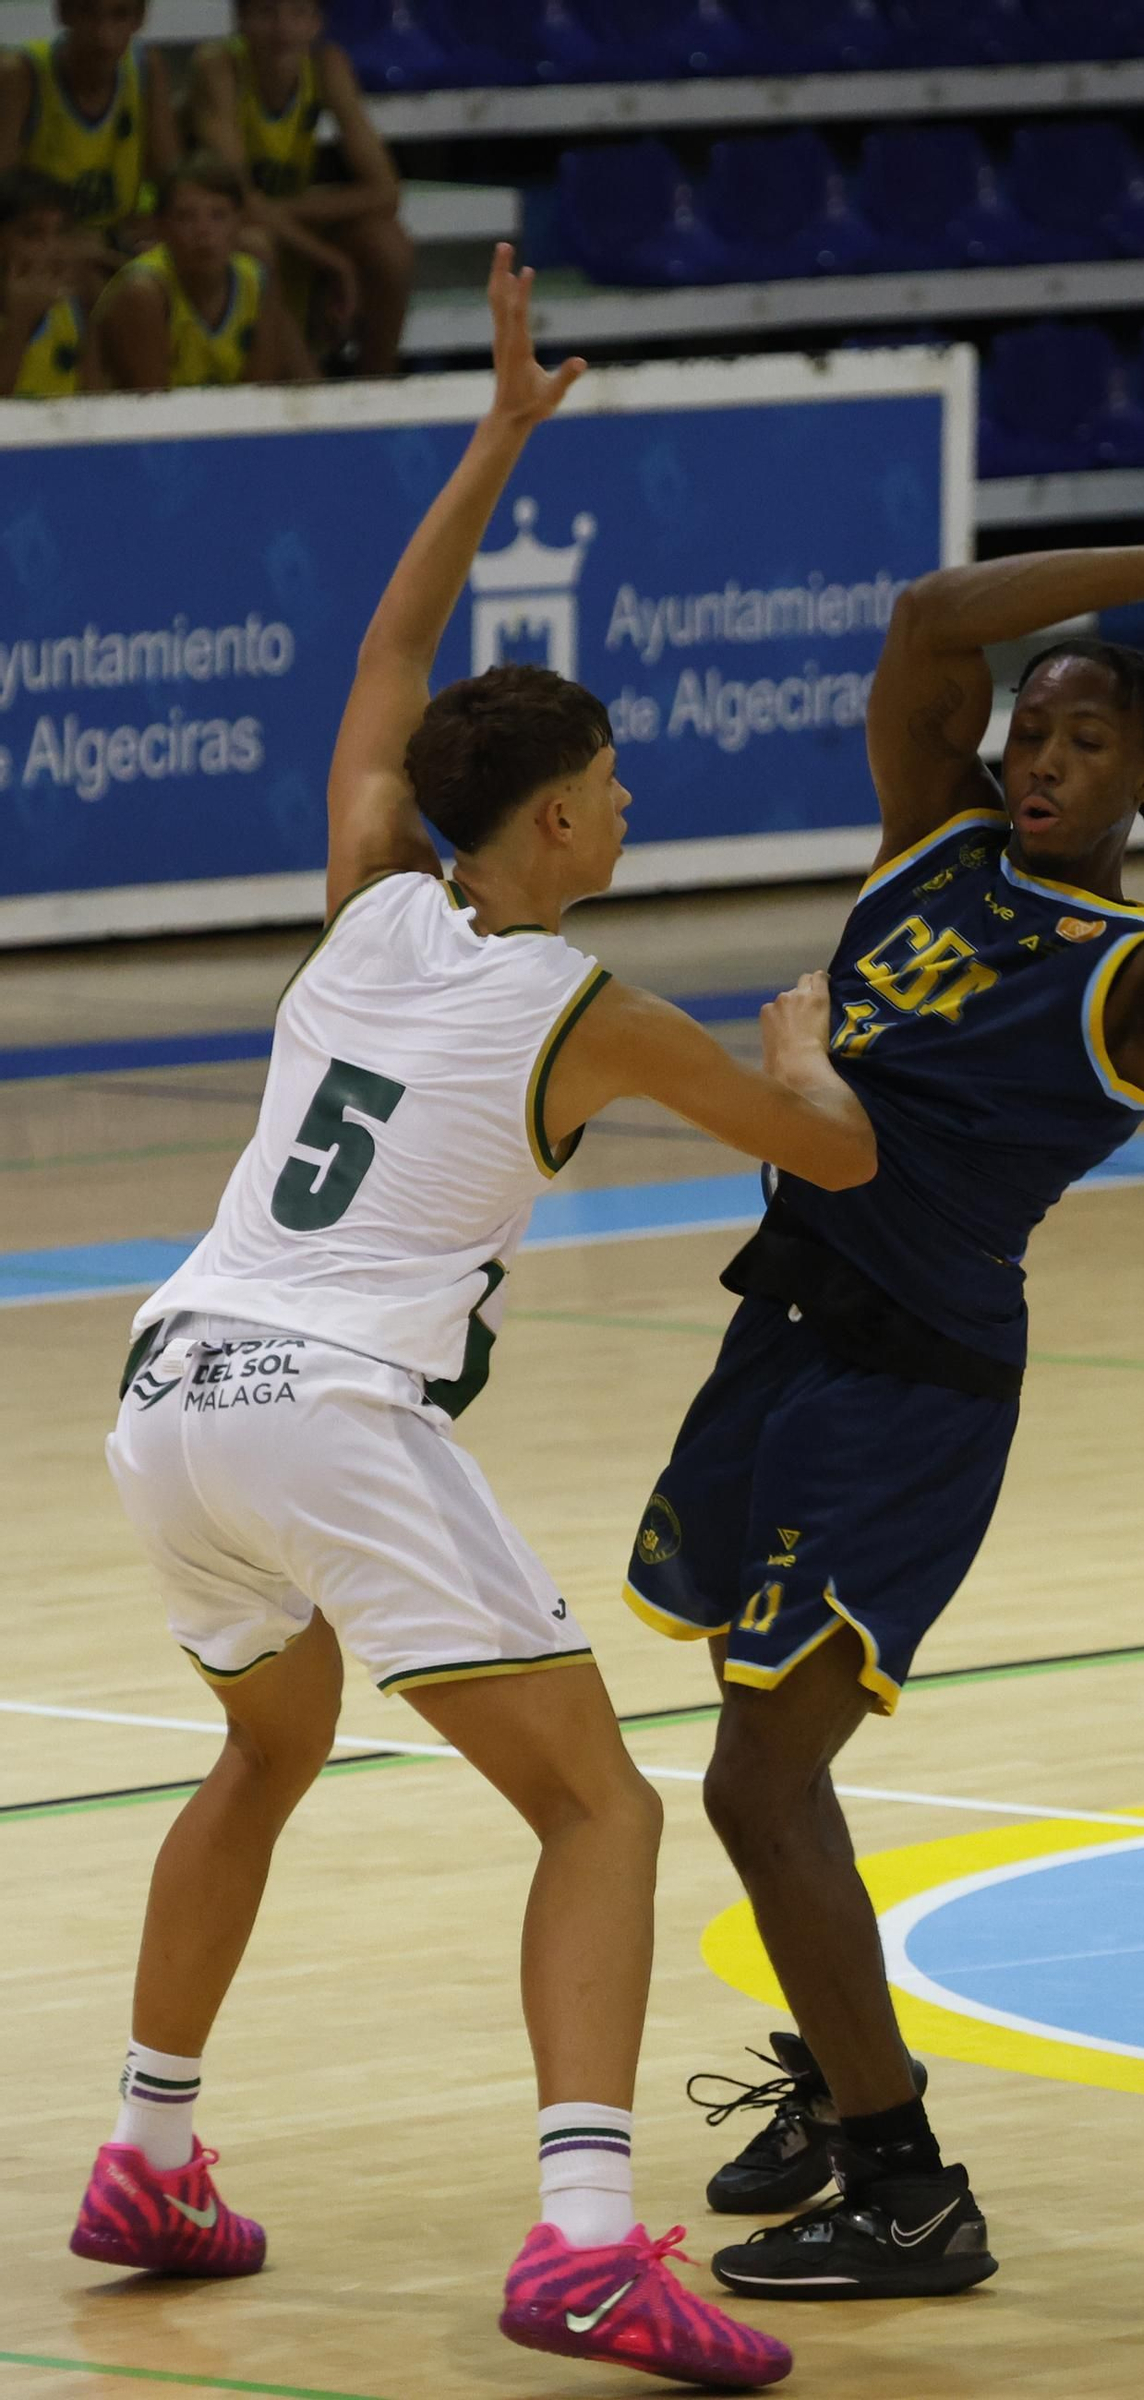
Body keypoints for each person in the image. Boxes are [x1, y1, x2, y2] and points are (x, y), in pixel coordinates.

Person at [69, 245, 876, 2386]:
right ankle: (589, 2243)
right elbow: (834, 1164)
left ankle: (149, 2156)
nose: (630, 804)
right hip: (331, 1409)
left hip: (169, 1389)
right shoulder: (581, 1004)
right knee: (598, 1806)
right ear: (548, 819)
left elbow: (390, 648)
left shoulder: (367, 897)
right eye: (608, 782)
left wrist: (497, 439)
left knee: (266, 1747)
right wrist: (803, 1053)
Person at [626, 531, 1144, 2300]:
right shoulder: (925, 843)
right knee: (766, 1766)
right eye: (1030, 730)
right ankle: (841, 2066)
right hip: (783, 1334)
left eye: (1087, 741)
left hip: (911, 1388)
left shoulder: (1133, 978)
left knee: (756, 1784)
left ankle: (907, 2182)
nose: (1038, 754)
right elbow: (930, 615)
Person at [187, 0, 412, 376]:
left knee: (389, 246)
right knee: (254, 242)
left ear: (316, 23)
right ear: (239, 20)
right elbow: (235, 200)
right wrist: (331, 259)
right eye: (265, 13)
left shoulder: (326, 65)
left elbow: (386, 191)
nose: (282, 29)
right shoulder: (218, 66)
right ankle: (306, 386)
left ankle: (379, 388)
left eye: (297, 13)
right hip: (212, 230)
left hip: (276, 221)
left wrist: (288, 211)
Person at [94, 151, 306, 388]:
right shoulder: (144, 293)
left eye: (219, 216)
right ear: (160, 227)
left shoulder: (256, 279)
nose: (203, 232)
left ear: (240, 223)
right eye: (185, 217)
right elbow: (153, 410)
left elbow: (258, 395)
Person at [0, 0, 178, 281]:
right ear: (63, 13)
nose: (103, 36)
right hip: (43, 242)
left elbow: (173, 185)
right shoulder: (20, 73)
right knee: (94, 282)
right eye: (88, 13)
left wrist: (155, 227)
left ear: (140, 18)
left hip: (117, 236)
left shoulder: (147, 68)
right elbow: (4, 201)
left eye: (119, 16)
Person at [0, 167, 104, 394]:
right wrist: (19, 325)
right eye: (33, 234)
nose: (52, 248)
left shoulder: (77, 303)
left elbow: (96, 400)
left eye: (62, 232)